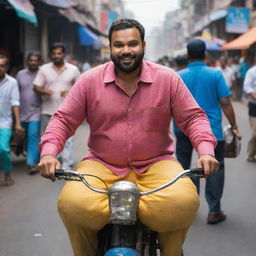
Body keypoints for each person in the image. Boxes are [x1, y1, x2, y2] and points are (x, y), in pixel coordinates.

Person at [38, 19, 219, 256]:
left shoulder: (168, 79)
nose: (126, 51)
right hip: (101, 164)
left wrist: (206, 151)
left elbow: (194, 118)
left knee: (184, 202)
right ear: (110, 48)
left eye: (132, 44)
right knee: (72, 204)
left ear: (143, 45)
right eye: (119, 45)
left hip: (157, 164)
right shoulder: (89, 81)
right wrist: (49, 153)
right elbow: (63, 119)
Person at [174, 39, 241, 225]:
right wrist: (234, 126)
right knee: (215, 168)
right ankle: (214, 211)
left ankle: (190, 207)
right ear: (204, 55)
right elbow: (226, 103)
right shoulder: (215, 74)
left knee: (186, 169)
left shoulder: (178, 76)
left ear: (188, 55)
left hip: (182, 129)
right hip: (211, 131)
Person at [33, 43, 80, 170]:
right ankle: (51, 161)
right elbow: (36, 86)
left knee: (68, 139)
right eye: (54, 54)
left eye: (59, 53)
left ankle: (67, 164)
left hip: (67, 111)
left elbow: (80, 86)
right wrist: (45, 91)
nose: (56, 56)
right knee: (48, 138)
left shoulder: (73, 69)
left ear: (64, 55)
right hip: (47, 110)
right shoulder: (43, 69)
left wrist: (70, 91)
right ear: (51, 55)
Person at [16, 51, 42, 174]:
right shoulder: (20, 74)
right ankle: (25, 152)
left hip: (36, 111)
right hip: (22, 111)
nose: (33, 62)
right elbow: (15, 92)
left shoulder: (42, 74)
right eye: (31, 60)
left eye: (35, 60)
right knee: (24, 136)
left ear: (39, 62)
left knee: (33, 135)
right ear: (27, 61)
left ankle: (31, 163)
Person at [0, 55, 24, 185]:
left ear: (7, 67)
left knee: (3, 149)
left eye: (2, 65)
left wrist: (18, 123)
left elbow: (15, 102)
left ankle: (7, 172)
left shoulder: (12, 82)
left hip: (4, 122)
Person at [243, 65, 256, 162]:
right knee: (255, 133)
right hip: (254, 107)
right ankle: (251, 154)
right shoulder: (252, 71)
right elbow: (247, 87)